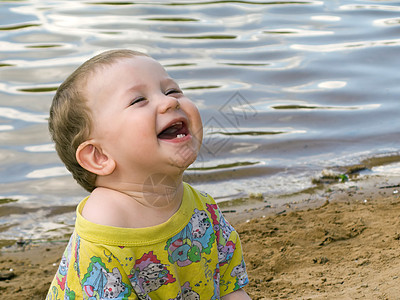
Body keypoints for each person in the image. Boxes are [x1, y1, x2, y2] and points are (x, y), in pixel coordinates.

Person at [46, 49, 250, 299]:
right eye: (138, 100)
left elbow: (230, 288)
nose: (170, 102)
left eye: (172, 90)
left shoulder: (202, 208)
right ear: (99, 157)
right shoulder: (106, 227)